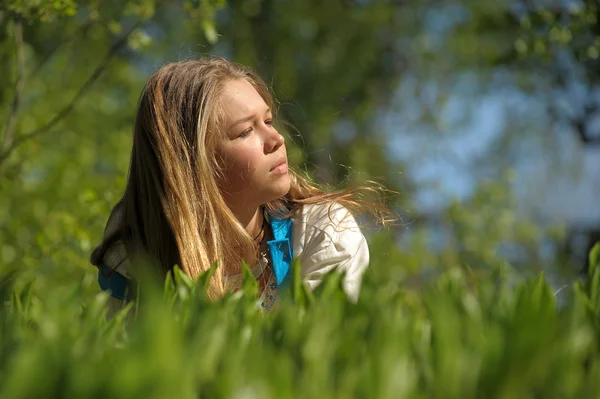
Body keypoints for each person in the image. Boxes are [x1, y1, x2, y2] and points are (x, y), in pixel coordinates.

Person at [90, 56, 395, 318]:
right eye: (246, 131)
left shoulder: (321, 234)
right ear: (192, 164)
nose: (277, 139)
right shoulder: (136, 259)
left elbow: (319, 363)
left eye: (269, 121)